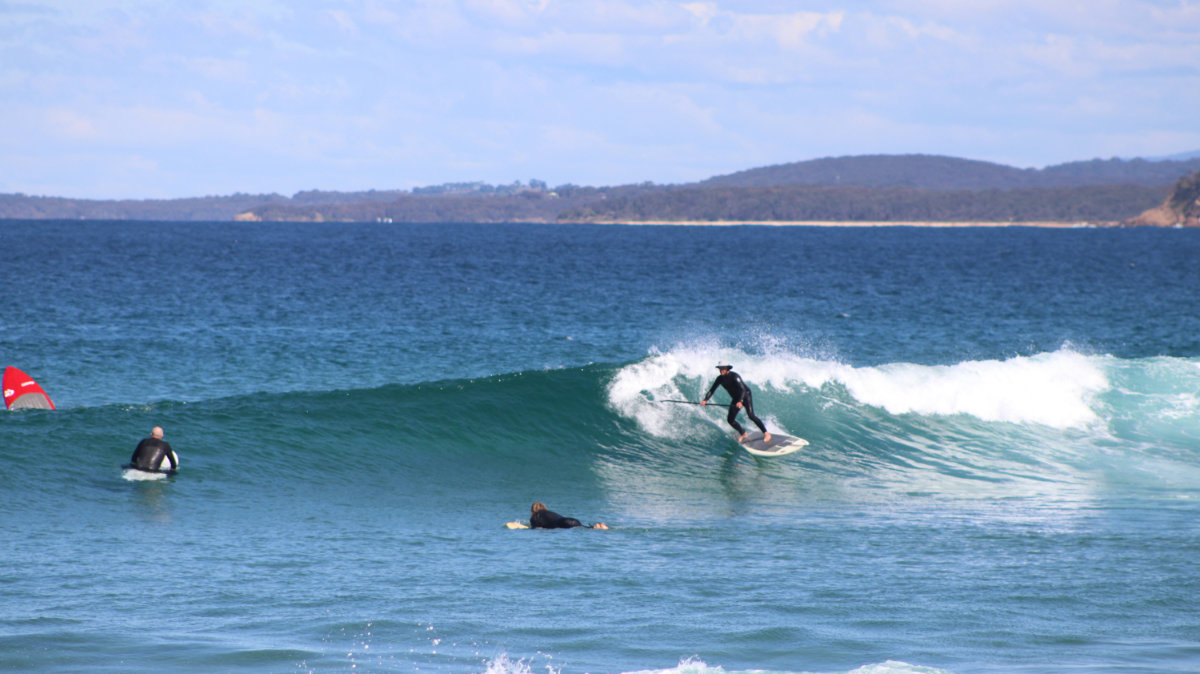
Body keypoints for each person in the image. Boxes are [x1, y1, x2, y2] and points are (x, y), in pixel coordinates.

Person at [702, 362, 771, 443]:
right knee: (730, 420)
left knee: (751, 415)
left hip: (745, 395)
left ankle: (766, 433)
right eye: (720, 368)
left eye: (723, 368)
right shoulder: (720, 379)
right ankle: (743, 433)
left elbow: (743, 390)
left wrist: (740, 401)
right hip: (736, 398)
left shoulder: (735, 376)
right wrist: (705, 400)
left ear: (727, 368)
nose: (721, 370)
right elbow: (712, 390)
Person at [529, 502, 608, 530]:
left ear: (533, 511)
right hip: (569, 520)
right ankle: (597, 527)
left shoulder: (535, 516)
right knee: (585, 528)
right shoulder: (549, 512)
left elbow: (535, 528)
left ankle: (596, 528)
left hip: (563, 524)